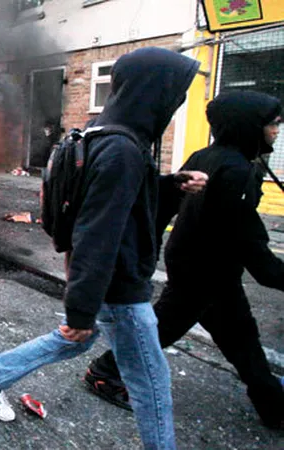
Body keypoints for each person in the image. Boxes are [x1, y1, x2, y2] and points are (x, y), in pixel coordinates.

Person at [0, 48, 202, 449]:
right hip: (119, 285)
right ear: (152, 93)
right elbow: (98, 230)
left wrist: (171, 186)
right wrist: (82, 308)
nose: (176, 104)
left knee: (77, 339)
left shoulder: (102, 135)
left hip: (104, 277)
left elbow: (122, 204)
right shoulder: (123, 149)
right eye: (174, 93)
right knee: (151, 385)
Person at [85, 91, 284, 431]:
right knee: (171, 326)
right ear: (248, 126)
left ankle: (271, 402)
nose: (277, 131)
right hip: (204, 269)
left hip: (198, 262)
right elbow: (250, 242)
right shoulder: (236, 171)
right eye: (272, 124)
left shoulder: (207, 155)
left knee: (239, 337)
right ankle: (105, 370)